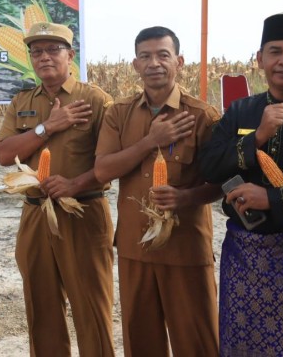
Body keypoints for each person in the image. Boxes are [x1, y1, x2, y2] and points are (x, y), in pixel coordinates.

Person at [94, 26, 221, 357]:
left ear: (178, 61)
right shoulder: (118, 113)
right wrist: (151, 141)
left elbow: (220, 183)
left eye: (163, 55)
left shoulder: (201, 116)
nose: (154, 63)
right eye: (145, 56)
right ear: (135, 65)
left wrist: (185, 198)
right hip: (136, 249)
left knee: (197, 342)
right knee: (141, 341)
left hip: (186, 249)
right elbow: (103, 170)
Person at [0, 23, 114, 357]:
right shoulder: (23, 101)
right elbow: (5, 154)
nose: (44, 57)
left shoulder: (95, 100)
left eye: (53, 50)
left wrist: (77, 183)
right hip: (35, 213)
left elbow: (112, 163)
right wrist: (49, 126)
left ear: (70, 55)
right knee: (41, 305)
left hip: (83, 212)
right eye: (37, 51)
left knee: (92, 306)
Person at [199, 12, 283, 356]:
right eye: (275, 51)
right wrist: (257, 138)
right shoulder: (240, 111)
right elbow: (209, 166)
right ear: (260, 59)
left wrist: (272, 199)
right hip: (246, 262)